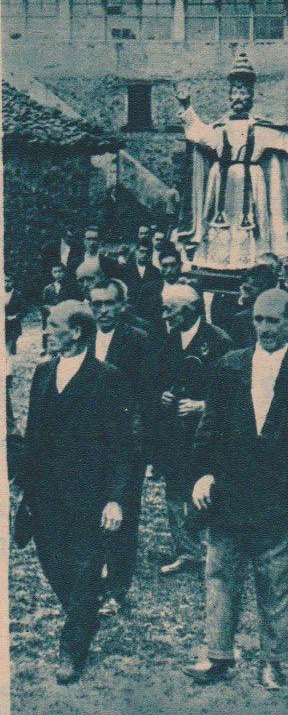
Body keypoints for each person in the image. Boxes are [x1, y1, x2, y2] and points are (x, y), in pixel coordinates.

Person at [186, 289, 288, 689]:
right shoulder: (230, 365)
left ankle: (273, 660)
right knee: (221, 574)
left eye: (274, 321)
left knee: (275, 580)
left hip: (277, 498)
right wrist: (203, 474)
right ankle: (217, 654)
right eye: (259, 320)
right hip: (229, 491)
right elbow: (210, 425)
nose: (265, 329)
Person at [16, 301, 132, 683]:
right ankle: (86, 612)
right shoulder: (43, 373)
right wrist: (26, 491)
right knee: (51, 560)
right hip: (46, 494)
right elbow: (34, 435)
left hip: (89, 494)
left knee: (84, 567)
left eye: (54, 325)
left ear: (77, 331)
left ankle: (72, 646)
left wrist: (115, 496)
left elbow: (119, 442)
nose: (47, 331)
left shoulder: (107, 377)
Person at [175, 49, 288, 268]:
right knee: (216, 221)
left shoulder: (261, 128)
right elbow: (199, 133)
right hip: (221, 179)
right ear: (229, 96)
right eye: (235, 92)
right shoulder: (220, 128)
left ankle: (255, 262)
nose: (238, 97)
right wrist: (186, 106)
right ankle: (216, 262)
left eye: (243, 92)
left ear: (251, 95)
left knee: (257, 220)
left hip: (252, 179)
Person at [140, 283, 232, 575]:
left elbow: (234, 391)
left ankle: (216, 549)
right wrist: (162, 395)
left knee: (206, 487)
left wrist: (204, 405)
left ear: (190, 309)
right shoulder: (167, 340)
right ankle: (187, 550)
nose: (164, 314)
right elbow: (155, 379)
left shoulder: (218, 342)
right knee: (175, 489)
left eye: (170, 308)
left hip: (208, 432)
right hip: (173, 432)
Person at [87, 278, 149, 613]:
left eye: (108, 303)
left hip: (126, 443)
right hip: (90, 443)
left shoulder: (137, 342)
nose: (102, 311)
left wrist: (140, 441)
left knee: (123, 511)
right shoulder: (84, 338)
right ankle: (93, 578)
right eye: (95, 304)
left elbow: (146, 396)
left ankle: (116, 587)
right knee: (90, 510)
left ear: (122, 305)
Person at [122, 241, 163, 328]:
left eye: (147, 252)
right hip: (130, 311)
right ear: (136, 252)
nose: (144, 255)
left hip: (147, 312)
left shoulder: (155, 271)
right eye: (141, 251)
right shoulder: (126, 269)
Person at [41, 264, 67, 352]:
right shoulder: (48, 288)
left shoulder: (69, 287)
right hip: (51, 316)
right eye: (55, 272)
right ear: (52, 274)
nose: (58, 274)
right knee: (50, 334)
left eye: (60, 271)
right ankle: (48, 351)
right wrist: (50, 308)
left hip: (65, 316)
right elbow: (43, 304)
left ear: (64, 272)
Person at [4, 274, 26, 355]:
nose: (6, 283)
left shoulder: (18, 295)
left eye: (8, 281)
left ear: (12, 282)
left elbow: (24, 310)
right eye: (4, 281)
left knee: (10, 345)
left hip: (14, 325)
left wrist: (15, 316)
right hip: (3, 324)